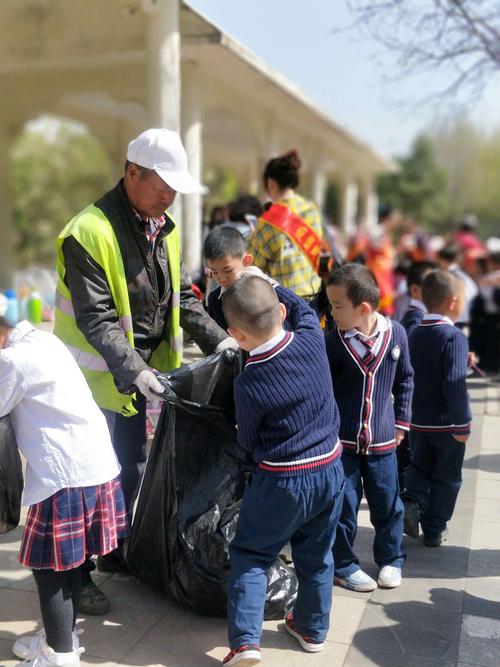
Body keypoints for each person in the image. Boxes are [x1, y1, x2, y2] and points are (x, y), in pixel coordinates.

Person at [54, 128, 235, 614]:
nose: (169, 195)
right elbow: (96, 318)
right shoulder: (89, 231)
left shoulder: (163, 227)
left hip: (135, 383)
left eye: (176, 186)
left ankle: (113, 549)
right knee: (82, 482)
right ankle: (73, 578)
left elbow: (182, 299)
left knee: (129, 468)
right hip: (90, 383)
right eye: (162, 184)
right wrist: (135, 370)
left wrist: (225, 342)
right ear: (131, 172)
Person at [220, 274, 345, 666]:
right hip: (330, 469)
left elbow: (247, 442)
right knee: (318, 554)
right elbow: (306, 309)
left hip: (281, 480)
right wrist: (268, 284)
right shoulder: (312, 337)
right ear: (282, 312)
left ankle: (245, 644)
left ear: (235, 335)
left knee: (252, 554)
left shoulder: (250, 381)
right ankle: (311, 628)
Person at [0, 318, 127, 667]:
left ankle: (60, 656)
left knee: (50, 570)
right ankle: (60, 638)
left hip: (64, 477)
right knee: (68, 564)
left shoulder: (13, 361)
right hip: (96, 466)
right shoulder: (45, 342)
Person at [325, 264, 413, 592]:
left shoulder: (397, 335)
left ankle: (391, 559)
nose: (331, 312)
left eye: (336, 306)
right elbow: (324, 389)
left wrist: (402, 421)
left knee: (388, 503)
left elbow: (406, 379)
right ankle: (344, 565)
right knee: (343, 505)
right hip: (342, 442)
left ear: (363, 308)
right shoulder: (333, 342)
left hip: (383, 441)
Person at [403, 271, 472, 546]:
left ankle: (412, 504)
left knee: (418, 467)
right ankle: (434, 527)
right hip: (446, 425)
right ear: (453, 301)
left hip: (417, 421)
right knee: (446, 477)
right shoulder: (453, 337)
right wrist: (462, 423)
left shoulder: (413, 332)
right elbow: (454, 381)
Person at [247, 150, 323, 299]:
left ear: (271, 183)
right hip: (315, 296)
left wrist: (250, 239)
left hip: (286, 302)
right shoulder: (312, 210)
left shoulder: (267, 221)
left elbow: (253, 264)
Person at [203, 226, 254, 330]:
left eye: (228, 270)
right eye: (214, 272)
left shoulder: (266, 291)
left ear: (246, 261)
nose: (221, 279)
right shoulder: (214, 299)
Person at [365, 206, 401, 316]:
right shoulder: (378, 230)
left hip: (385, 272)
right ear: (388, 217)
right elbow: (375, 246)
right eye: (394, 217)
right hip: (377, 272)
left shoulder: (386, 232)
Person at [436, 243, 478, 329]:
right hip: (465, 319)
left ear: (442, 260)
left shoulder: (449, 276)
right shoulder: (462, 274)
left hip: (456, 320)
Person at [400, 261, 436, 337]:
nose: (438, 289)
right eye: (432, 284)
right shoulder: (417, 320)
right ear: (415, 290)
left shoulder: (422, 316)